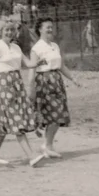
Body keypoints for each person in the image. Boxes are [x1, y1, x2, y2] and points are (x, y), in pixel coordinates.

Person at [0, 19, 44, 167]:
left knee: (5, 123)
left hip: (17, 84)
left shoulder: (16, 47)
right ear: (0, 31)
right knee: (17, 120)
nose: (9, 32)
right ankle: (31, 155)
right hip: (4, 87)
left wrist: (38, 63)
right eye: (6, 30)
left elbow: (28, 63)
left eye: (12, 30)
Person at [28, 18, 81, 158]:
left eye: (51, 27)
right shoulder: (36, 48)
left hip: (57, 82)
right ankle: (47, 145)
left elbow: (61, 66)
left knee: (58, 114)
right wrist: (31, 87)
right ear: (40, 29)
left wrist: (73, 78)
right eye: (47, 27)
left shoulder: (55, 46)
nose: (50, 30)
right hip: (44, 83)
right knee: (53, 114)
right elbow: (32, 69)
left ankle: (47, 145)